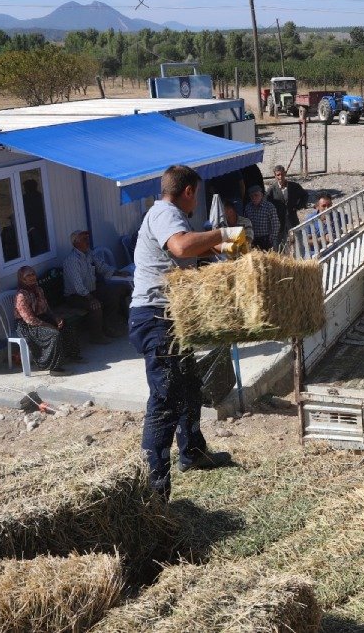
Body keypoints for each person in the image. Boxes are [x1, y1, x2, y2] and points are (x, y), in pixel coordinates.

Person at [129, 164, 246, 498]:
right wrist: (224, 234)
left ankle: (193, 452)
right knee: (165, 398)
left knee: (189, 386)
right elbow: (181, 247)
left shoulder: (167, 215)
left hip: (171, 317)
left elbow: (187, 251)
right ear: (189, 191)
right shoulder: (165, 212)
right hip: (155, 317)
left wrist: (221, 250)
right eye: (198, 194)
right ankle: (154, 489)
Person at [63, 230, 131, 343]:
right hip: (76, 296)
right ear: (76, 243)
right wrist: (91, 298)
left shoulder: (89, 253)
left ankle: (109, 326)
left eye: (87, 239)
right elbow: (78, 286)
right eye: (84, 239)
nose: (87, 241)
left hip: (91, 290)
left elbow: (102, 266)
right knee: (96, 306)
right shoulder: (72, 260)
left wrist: (117, 272)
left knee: (117, 290)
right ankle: (97, 336)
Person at [13, 265, 79, 376]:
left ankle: (71, 355)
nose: (32, 277)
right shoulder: (21, 296)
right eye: (28, 275)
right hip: (27, 326)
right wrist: (48, 325)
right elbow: (29, 319)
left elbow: (47, 309)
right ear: (22, 279)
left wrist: (56, 318)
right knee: (54, 334)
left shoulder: (38, 289)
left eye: (33, 274)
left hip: (41, 318)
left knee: (65, 325)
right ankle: (54, 368)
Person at [266, 164, 307, 241]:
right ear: (275, 176)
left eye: (282, 174)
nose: (280, 177)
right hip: (279, 220)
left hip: (292, 218)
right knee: (280, 241)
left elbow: (304, 195)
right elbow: (266, 202)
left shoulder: (294, 186)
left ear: (285, 173)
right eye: (278, 175)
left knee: (297, 239)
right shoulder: (272, 189)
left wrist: (298, 206)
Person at [244, 185, 280, 251]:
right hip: (253, 239)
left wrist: (271, 239)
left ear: (261, 195)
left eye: (256, 195)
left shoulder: (269, 207)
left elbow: (275, 224)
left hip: (266, 239)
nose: (254, 198)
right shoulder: (248, 208)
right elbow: (246, 224)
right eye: (251, 196)